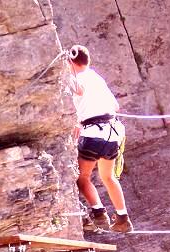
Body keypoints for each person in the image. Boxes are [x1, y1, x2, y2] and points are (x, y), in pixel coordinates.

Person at [66, 44, 133, 233]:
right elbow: (115, 105)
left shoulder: (76, 78)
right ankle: (123, 219)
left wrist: (64, 75)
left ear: (71, 61)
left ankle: (99, 213)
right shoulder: (97, 78)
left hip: (93, 133)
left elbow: (78, 90)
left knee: (82, 178)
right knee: (108, 177)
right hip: (113, 133)